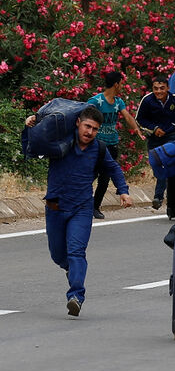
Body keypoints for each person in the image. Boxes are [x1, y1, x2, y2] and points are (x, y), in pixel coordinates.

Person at [25, 106, 132, 316]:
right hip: (55, 207)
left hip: (82, 208)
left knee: (76, 252)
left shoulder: (99, 148)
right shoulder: (60, 142)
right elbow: (36, 143)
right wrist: (32, 123)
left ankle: (76, 296)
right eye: (87, 126)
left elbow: (113, 168)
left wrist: (124, 191)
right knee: (58, 255)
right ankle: (71, 270)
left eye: (94, 129)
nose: (89, 132)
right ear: (78, 123)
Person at [88, 71, 146, 219]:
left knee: (105, 178)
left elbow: (127, 116)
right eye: (121, 83)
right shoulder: (96, 101)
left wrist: (137, 130)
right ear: (116, 84)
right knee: (90, 175)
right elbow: (84, 117)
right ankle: (83, 205)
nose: (122, 86)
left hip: (112, 145)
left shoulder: (119, 102)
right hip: (97, 145)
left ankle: (96, 207)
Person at [136, 74, 175, 210]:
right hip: (154, 138)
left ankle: (159, 197)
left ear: (168, 88)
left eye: (162, 88)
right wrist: (154, 129)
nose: (159, 92)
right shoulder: (147, 100)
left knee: (165, 163)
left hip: (171, 136)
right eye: (156, 89)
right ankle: (163, 195)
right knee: (156, 167)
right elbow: (139, 119)